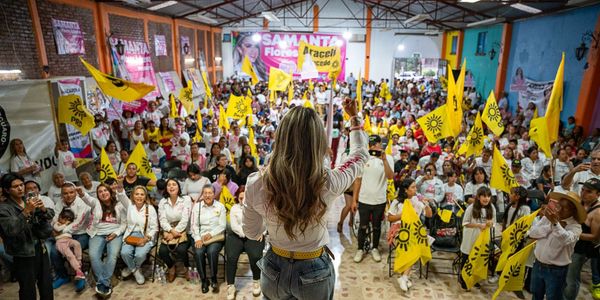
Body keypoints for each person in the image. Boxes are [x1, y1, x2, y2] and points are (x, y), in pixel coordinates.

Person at [243, 100, 368, 300]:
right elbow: (360, 155)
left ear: (281, 138)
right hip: (314, 269)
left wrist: (272, 224)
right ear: (318, 141)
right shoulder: (330, 181)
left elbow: (251, 232)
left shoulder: (256, 182)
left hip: (274, 266)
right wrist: (354, 118)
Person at [0, 173, 54, 300]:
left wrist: (43, 209)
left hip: (40, 248)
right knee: (27, 288)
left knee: (46, 284)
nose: (20, 188)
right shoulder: (4, 209)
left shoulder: (28, 200)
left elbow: (50, 215)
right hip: (22, 253)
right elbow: (11, 230)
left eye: (21, 185)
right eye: (15, 186)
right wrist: (26, 211)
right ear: (7, 190)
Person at [529, 191, 586, 300]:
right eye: (559, 205)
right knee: (536, 295)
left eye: (565, 208)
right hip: (538, 264)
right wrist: (551, 225)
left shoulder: (575, 226)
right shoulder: (549, 217)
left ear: (573, 211)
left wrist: (555, 224)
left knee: (554, 297)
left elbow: (565, 239)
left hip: (556, 270)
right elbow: (532, 233)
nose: (559, 209)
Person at [78, 183, 127, 297]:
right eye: (100, 191)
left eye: (105, 190)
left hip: (115, 233)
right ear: (97, 194)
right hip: (97, 233)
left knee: (113, 254)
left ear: (110, 192)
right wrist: (82, 194)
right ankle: (105, 283)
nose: (103, 193)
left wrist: (115, 234)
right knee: (93, 255)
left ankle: (102, 283)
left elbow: (124, 224)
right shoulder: (95, 203)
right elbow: (87, 198)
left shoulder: (119, 204)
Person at [354, 134, 394, 264]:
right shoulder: (364, 159)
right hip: (364, 199)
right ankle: (360, 249)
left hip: (379, 200)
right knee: (363, 226)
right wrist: (354, 200)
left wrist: (384, 160)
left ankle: (375, 248)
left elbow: (390, 176)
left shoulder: (388, 158)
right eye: (370, 145)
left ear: (380, 145)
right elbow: (358, 180)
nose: (373, 148)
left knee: (377, 227)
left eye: (375, 145)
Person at [387, 178, 432, 291]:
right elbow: (390, 218)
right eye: (412, 187)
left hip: (414, 230)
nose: (415, 189)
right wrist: (403, 215)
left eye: (415, 187)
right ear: (406, 190)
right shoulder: (397, 202)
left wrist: (426, 204)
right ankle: (405, 277)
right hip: (399, 229)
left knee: (418, 244)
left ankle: (404, 277)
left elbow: (429, 215)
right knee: (410, 245)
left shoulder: (417, 200)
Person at [50, 182, 91, 290]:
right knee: (54, 252)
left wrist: (59, 229)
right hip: (63, 235)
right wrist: (56, 227)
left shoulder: (82, 203)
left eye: (71, 192)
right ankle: (63, 276)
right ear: (62, 194)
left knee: (71, 251)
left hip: (80, 233)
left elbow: (78, 223)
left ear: (76, 192)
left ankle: (80, 276)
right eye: (65, 193)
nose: (68, 195)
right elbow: (54, 219)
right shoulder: (59, 203)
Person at [564, 179, 600, 300]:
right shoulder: (580, 202)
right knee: (569, 275)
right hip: (569, 245)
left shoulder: (597, 212)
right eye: (583, 190)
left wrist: (573, 233)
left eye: (589, 191)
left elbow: (595, 237)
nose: (583, 193)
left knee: (571, 278)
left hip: (580, 251)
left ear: (598, 194)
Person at [226, 187, 264, 299]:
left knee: (255, 255)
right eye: (241, 197)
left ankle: (256, 280)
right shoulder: (234, 208)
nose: (243, 200)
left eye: (245, 197)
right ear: (237, 198)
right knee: (231, 257)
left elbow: (264, 221)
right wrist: (246, 233)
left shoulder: (256, 207)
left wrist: (262, 231)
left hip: (254, 236)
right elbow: (234, 226)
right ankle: (231, 285)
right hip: (237, 235)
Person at [459, 186, 497, 290]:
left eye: (488, 196)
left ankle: (474, 279)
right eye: (484, 196)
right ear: (478, 197)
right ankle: (463, 279)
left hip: (483, 239)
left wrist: (490, 223)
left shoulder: (492, 207)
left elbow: (494, 223)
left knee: (477, 259)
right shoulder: (471, 208)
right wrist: (478, 225)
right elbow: (465, 223)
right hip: (470, 237)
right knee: (467, 259)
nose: (486, 199)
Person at [190, 184, 226, 293]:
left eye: (210, 193)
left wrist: (211, 234)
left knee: (211, 252)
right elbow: (194, 225)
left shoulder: (220, 207)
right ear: (202, 194)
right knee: (199, 252)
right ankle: (204, 280)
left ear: (214, 194)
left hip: (215, 237)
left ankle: (214, 278)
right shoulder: (197, 207)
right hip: (199, 237)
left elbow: (222, 225)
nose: (207, 195)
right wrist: (197, 239)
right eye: (205, 193)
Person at [120, 185, 158, 285]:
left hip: (145, 235)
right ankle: (135, 271)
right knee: (124, 253)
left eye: (142, 194)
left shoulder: (150, 208)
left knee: (140, 254)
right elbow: (121, 195)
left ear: (145, 196)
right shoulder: (129, 206)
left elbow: (155, 228)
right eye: (137, 194)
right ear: (133, 195)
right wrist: (120, 184)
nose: (139, 196)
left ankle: (130, 268)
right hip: (131, 235)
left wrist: (146, 238)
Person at [158, 178, 192, 282]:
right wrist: (170, 231)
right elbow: (162, 220)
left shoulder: (186, 199)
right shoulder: (163, 202)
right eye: (169, 185)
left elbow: (185, 219)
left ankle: (186, 268)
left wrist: (174, 233)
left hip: (184, 230)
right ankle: (171, 267)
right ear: (166, 188)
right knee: (162, 252)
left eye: (174, 184)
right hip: (168, 230)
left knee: (181, 250)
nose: (171, 187)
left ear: (178, 187)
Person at [52, 209, 85, 286]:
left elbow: (74, 227)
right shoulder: (57, 224)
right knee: (69, 255)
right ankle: (78, 270)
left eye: (67, 220)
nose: (64, 221)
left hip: (69, 239)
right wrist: (66, 224)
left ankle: (79, 262)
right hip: (60, 242)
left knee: (77, 244)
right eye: (63, 218)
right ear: (59, 217)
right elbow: (57, 229)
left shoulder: (69, 225)